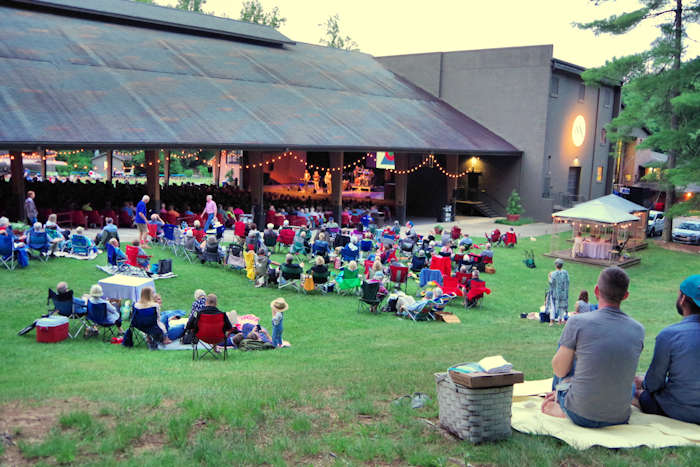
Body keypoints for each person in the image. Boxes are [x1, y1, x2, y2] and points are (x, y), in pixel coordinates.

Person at [541, 267, 644, 428]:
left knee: (567, 356)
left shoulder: (577, 322)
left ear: (596, 291)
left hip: (580, 413)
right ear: (625, 296)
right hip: (619, 415)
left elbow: (559, 371)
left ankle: (559, 400)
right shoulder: (638, 330)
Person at [633, 275, 700, 424]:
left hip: (678, 411)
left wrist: (643, 383)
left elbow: (653, 384)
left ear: (682, 299)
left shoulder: (669, 335)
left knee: (636, 393)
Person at [549, 258, 570, 326]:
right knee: (561, 307)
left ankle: (551, 321)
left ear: (556, 265)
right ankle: (560, 320)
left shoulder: (553, 274)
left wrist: (549, 276)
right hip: (563, 293)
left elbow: (551, 283)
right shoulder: (565, 273)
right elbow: (568, 282)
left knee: (552, 306)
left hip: (555, 293)